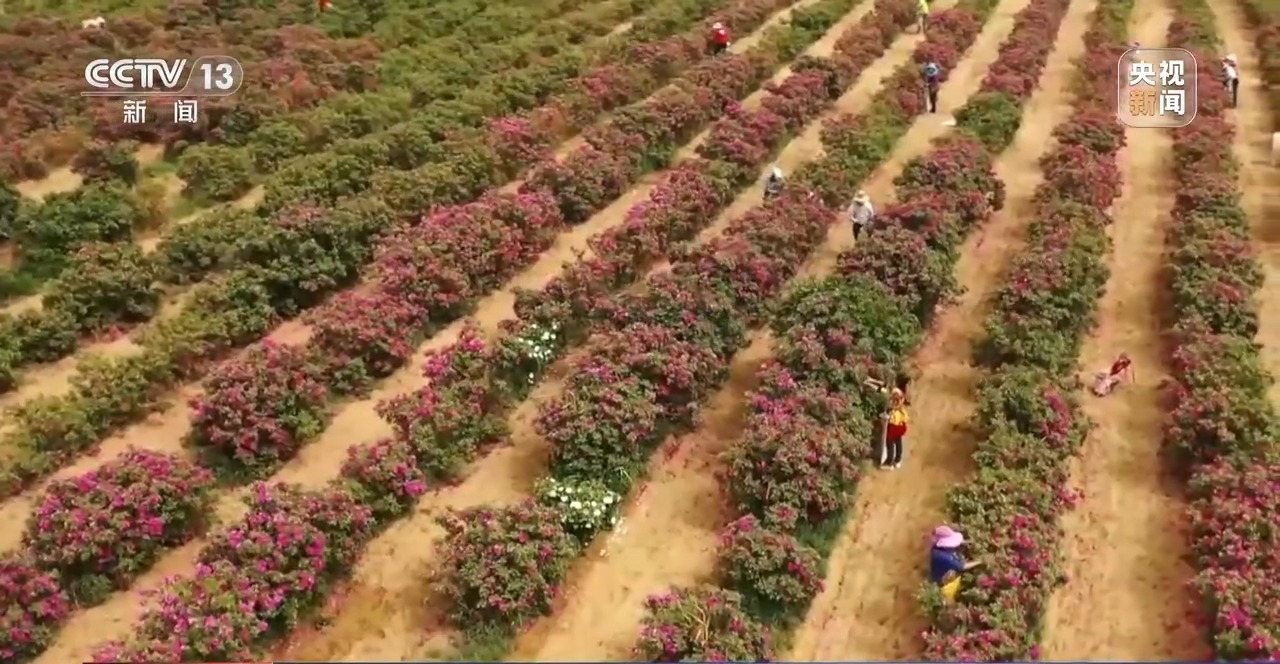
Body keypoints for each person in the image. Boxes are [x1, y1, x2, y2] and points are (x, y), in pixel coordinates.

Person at [930, 525, 983, 601]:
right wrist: (979, 561)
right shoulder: (944, 557)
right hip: (941, 578)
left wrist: (966, 542)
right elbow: (962, 567)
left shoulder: (938, 547)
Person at [882, 388, 908, 469]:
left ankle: (893, 461)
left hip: (897, 424)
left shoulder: (899, 407)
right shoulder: (894, 406)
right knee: (894, 443)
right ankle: (895, 460)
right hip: (895, 424)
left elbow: (899, 404)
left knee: (893, 443)